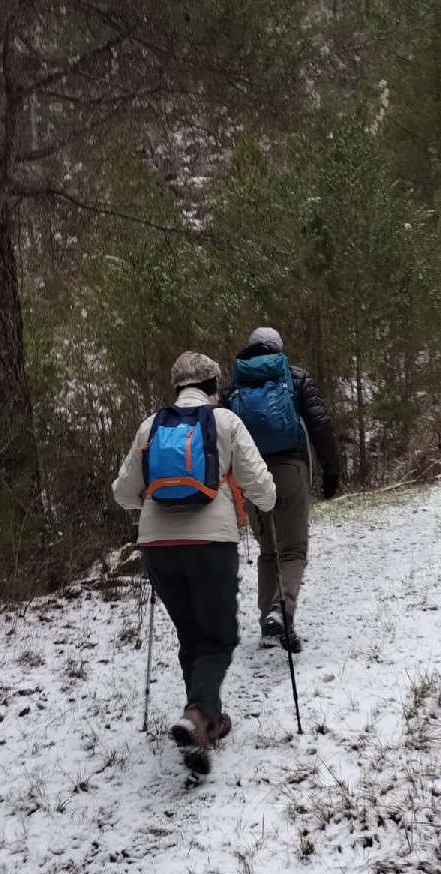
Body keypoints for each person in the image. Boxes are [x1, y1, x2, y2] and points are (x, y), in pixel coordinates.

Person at [112, 351, 276, 775]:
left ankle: (205, 727)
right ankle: (199, 715)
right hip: (210, 542)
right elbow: (260, 486)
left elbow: (123, 492)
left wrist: (151, 506)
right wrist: (268, 501)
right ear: (213, 386)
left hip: (157, 545)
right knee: (218, 638)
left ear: (177, 387)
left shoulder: (151, 425)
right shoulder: (225, 421)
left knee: (192, 634)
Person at [221, 326, 339, 653]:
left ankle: (268, 624)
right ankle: (281, 612)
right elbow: (320, 423)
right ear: (278, 348)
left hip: (250, 473)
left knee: (269, 551)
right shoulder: (295, 377)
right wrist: (331, 468)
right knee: (294, 550)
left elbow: (219, 435)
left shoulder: (233, 385)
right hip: (290, 469)